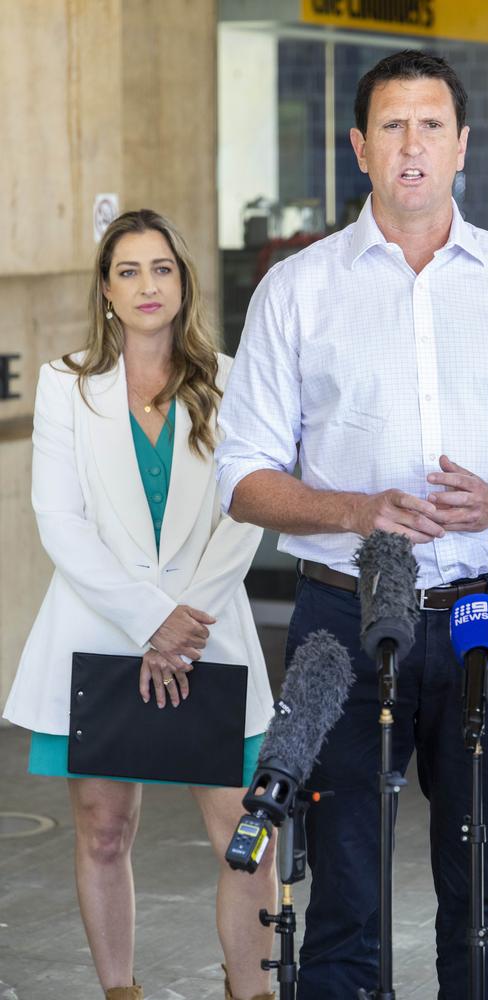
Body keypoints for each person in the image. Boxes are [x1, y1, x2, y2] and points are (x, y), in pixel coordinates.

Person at [215, 50, 488, 1000]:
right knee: (345, 901)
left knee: (485, 902)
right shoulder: (298, 290)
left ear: (462, 145)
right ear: (359, 148)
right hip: (344, 627)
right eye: (391, 126)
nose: (412, 146)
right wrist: (360, 512)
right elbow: (242, 479)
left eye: (431, 125)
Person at [3, 210, 277, 1000]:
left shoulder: (231, 382)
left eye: (162, 268)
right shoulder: (67, 387)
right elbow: (60, 521)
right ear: (107, 289)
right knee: (104, 831)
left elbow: (245, 509)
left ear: (183, 283)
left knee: (245, 836)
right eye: (129, 270)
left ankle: (250, 992)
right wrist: (146, 619)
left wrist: (181, 620)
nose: (147, 285)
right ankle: (120, 991)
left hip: (208, 633)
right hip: (99, 634)